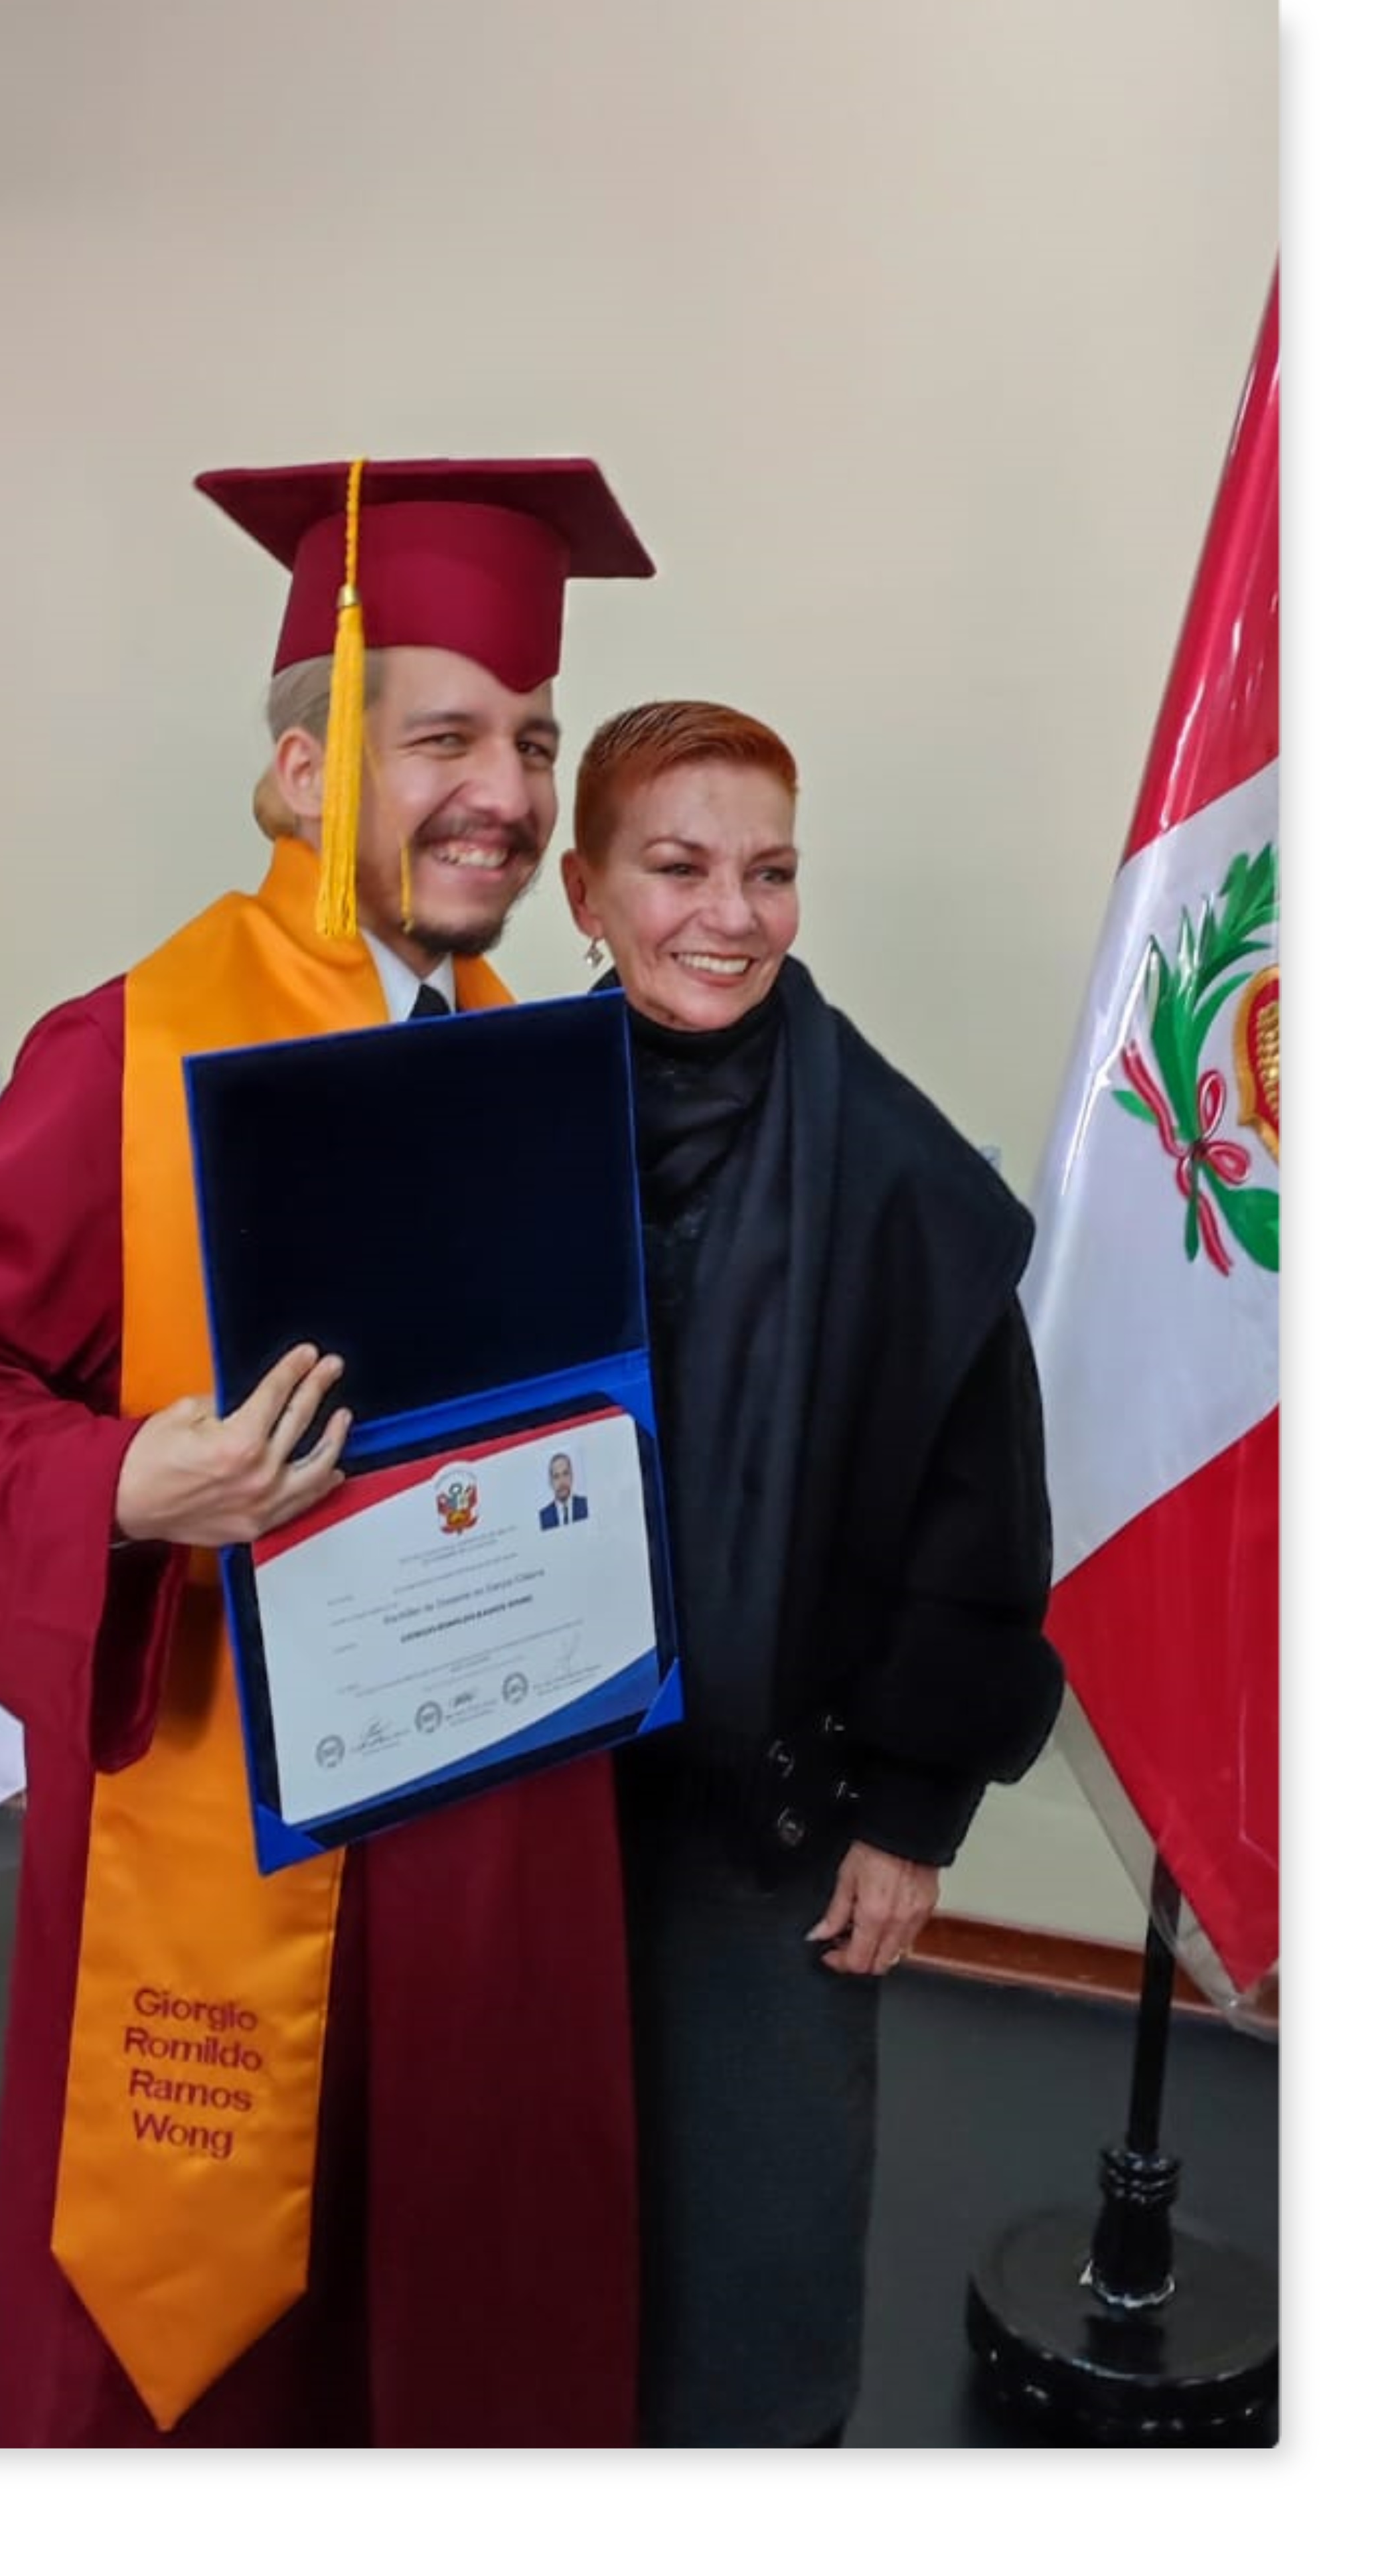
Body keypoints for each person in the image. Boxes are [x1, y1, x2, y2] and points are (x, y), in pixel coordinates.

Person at [0, 456, 655, 2449]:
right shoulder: (136, 1050)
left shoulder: (531, 1050)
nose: (507, 793)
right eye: (442, 737)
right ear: (298, 773)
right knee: (232, 2367)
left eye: (533, 742)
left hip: (489, 1816)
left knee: (464, 2298)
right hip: (236, 1815)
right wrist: (115, 1485)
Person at [560, 699, 1065, 2448]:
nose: (732, 914)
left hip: (767, 1810)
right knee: (526, 2208)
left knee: (752, 2241)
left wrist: (913, 1814)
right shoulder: (486, 1121)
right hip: (525, 1795)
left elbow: (979, 1525)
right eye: (679, 866)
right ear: (585, 894)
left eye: (769, 871)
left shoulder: (899, 1178)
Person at [540, 1450, 589, 1527]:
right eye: (556, 1476)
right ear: (551, 1482)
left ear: (572, 1476)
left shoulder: (585, 1505)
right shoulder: (544, 1516)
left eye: (565, 1474)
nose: (562, 1481)